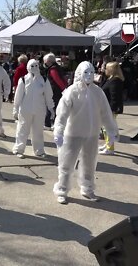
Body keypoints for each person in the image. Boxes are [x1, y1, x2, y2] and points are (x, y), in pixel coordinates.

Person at [53, 61, 117, 205]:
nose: (89, 75)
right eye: (86, 72)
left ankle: (87, 188)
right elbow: (62, 114)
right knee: (66, 164)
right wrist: (59, 131)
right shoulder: (72, 91)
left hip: (92, 134)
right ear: (79, 73)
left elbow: (106, 113)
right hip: (73, 133)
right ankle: (62, 189)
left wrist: (110, 132)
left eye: (91, 72)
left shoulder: (98, 92)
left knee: (89, 164)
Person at [12, 59, 54, 159]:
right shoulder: (23, 80)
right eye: (32, 66)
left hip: (39, 110)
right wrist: (15, 108)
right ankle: (19, 149)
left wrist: (51, 108)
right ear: (28, 68)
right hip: (25, 110)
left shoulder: (43, 79)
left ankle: (39, 151)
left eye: (36, 66)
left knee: (38, 131)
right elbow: (18, 96)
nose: (34, 68)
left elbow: (48, 95)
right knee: (22, 130)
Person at [99, 62, 124, 155]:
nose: (105, 69)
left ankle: (110, 148)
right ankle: (108, 144)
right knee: (105, 128)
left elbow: (115, 97)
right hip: (107, 107)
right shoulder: (110, 78)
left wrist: (112, 109)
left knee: (108, 128)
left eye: (106, 68)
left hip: (110, 108)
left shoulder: (115, 81)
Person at [43, 53, 68, 129]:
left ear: (49, 61)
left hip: (54, 91)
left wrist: (64, 89)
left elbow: (57, 80)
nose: (44, 63)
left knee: (51, 106)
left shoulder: (53, 69)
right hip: (56, 91)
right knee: (54, 107)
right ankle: (52, 123)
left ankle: (48, 124)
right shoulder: (56, 67)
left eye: (45, 61)